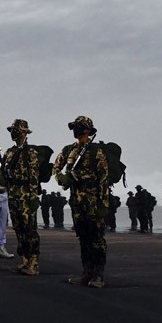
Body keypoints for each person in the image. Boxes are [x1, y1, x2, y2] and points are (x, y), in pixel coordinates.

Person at [55, 116, 110, 289]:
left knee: (97, 239)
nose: (74, 131)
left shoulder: (96, 151)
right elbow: (56, 167)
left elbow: (104, 180)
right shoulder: (69, 150)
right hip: (76, 203)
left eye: (78, 127)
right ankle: (87, 273)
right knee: (83, 238)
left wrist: (104, 205)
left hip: (93, 202)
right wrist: (61, 177)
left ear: (87, 130)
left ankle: (98, 275)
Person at [0, 119, 41, 275]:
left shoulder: (31, 153)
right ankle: (24, 260)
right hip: (13, 195)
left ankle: (33, 263)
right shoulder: (9, 153)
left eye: (15, 130)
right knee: (18, 229)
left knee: (30, 230)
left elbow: (34, 178)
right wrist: (2, 178)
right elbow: (2, 172)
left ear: (24, 132)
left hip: (26, 196)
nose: (13, 133)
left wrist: (33, 198)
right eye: (12, 130)